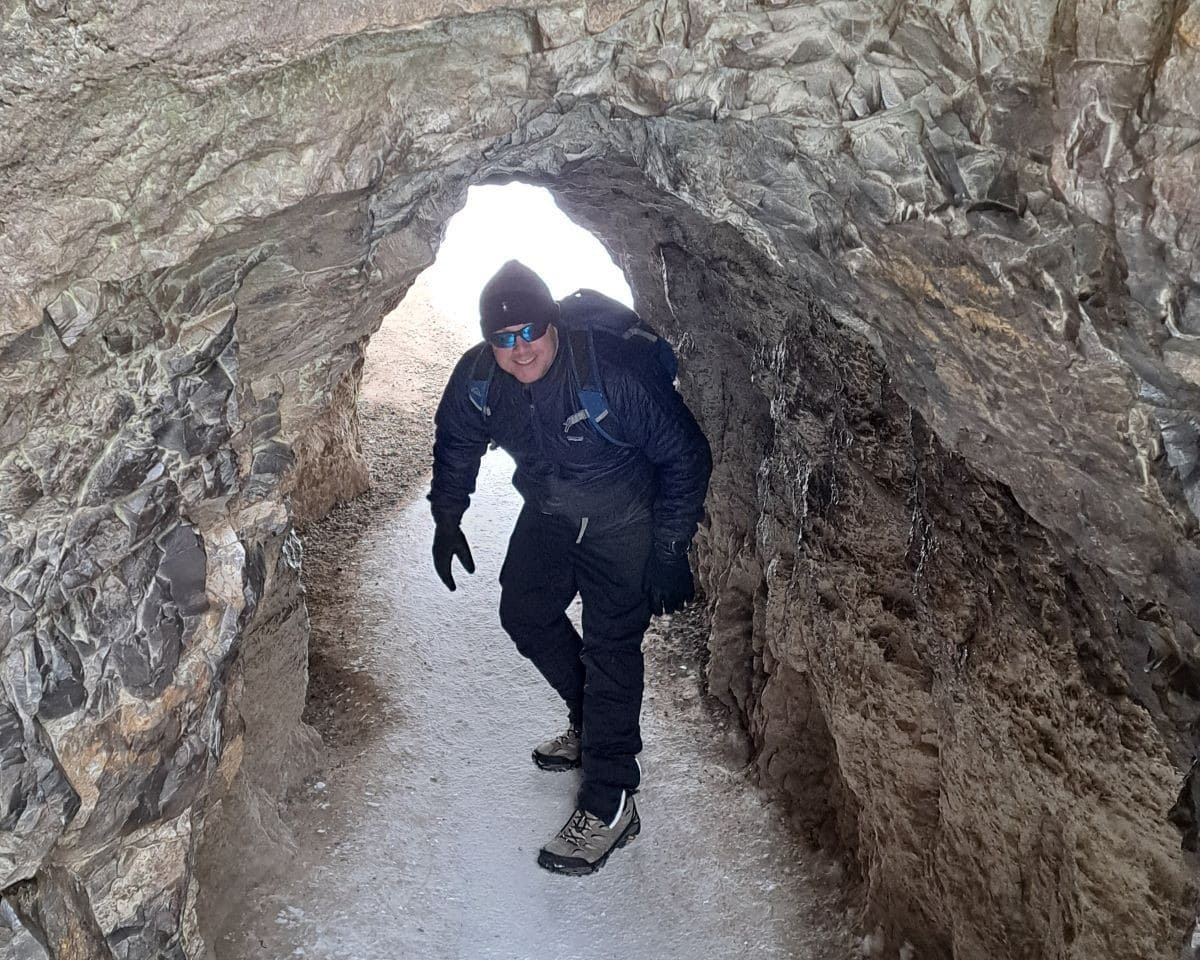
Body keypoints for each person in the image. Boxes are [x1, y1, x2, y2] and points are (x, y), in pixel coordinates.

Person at [428, 259, 712, 875]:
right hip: (554, 509)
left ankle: (611, 800)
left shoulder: (610, 376)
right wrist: (447, 517)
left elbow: (686, 455)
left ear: (552, 324)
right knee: (524, 612)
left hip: (625, 516)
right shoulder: (480, 379)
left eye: (530, 330)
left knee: (611, 647)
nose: (519, 347)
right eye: (502, 337)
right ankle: (591, 720)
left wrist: (668, 549)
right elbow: (455, 442)